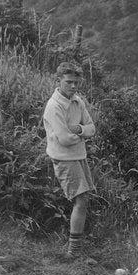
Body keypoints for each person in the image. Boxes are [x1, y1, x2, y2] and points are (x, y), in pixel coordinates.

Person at [43, 63, 96, 258]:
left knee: (83, 200)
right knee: (80, 200)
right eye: (69, 82)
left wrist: (79, 130)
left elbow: (92, 128)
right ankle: (74, 251)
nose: (73, 86)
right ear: (58, 81)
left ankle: (75, 248)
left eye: (76, 82)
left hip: (79, 156)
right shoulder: (54, 106)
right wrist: (82, 134)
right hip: (64, 158)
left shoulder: (77, 101)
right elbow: (64, 140)